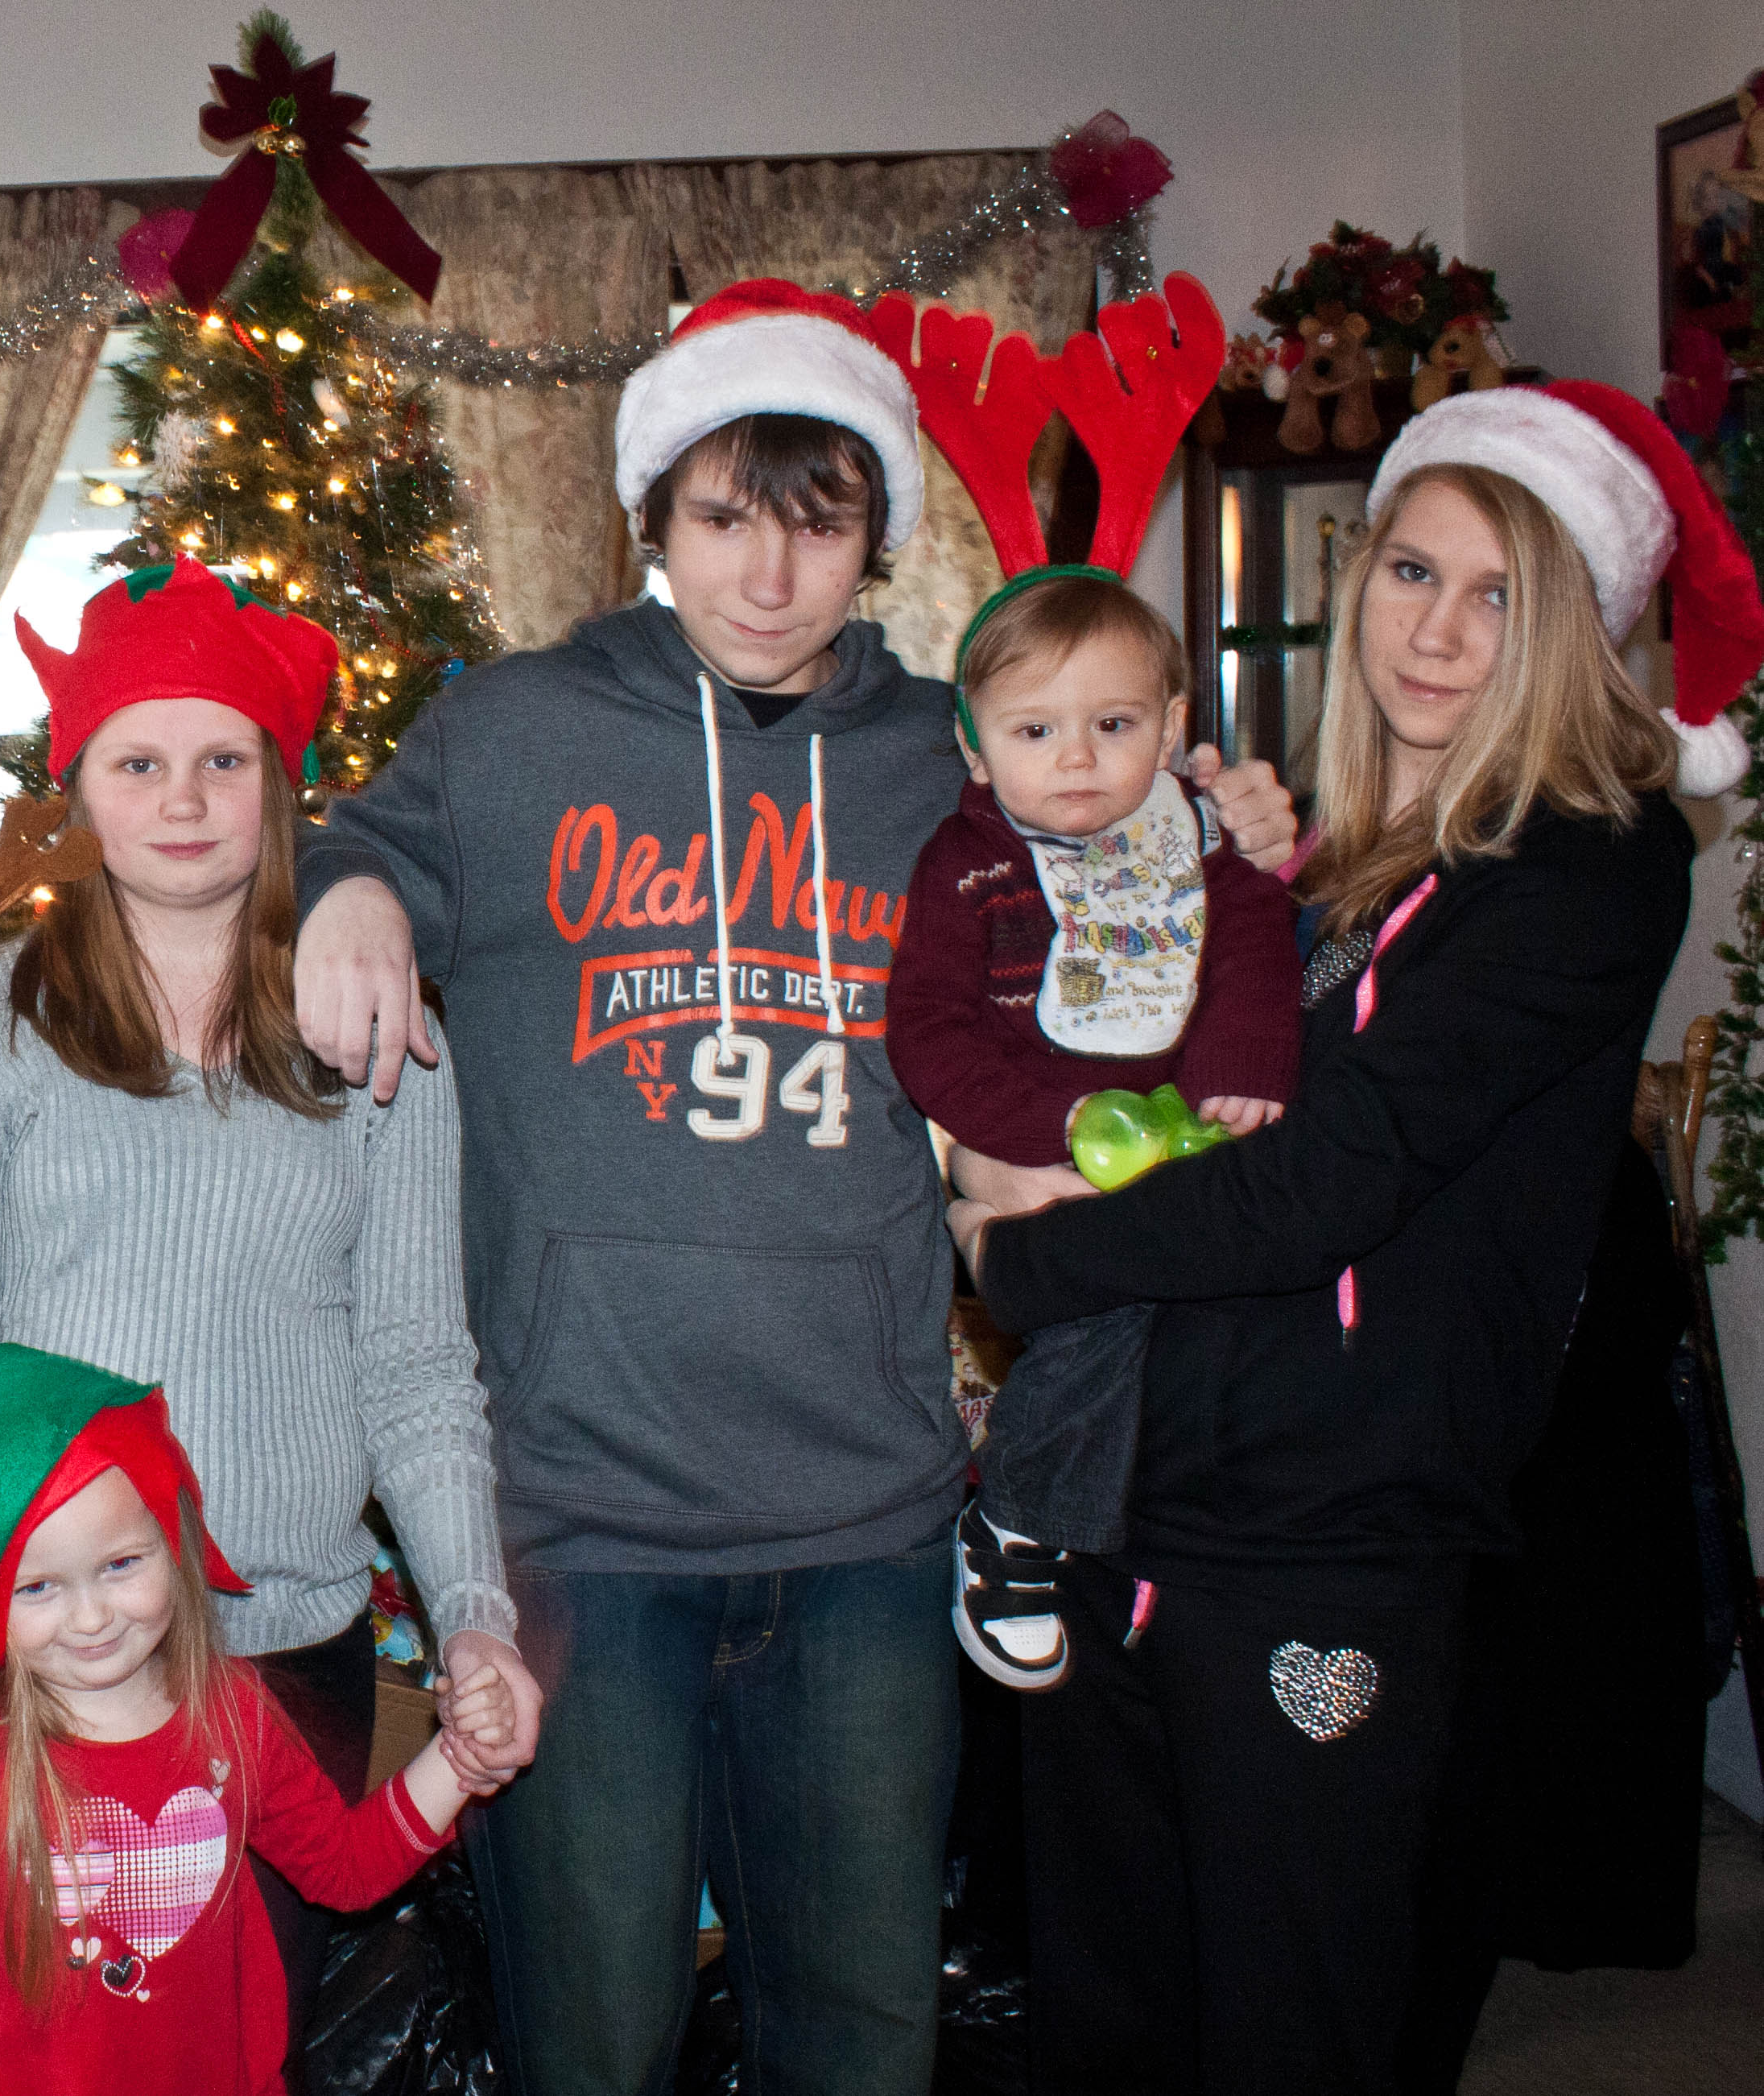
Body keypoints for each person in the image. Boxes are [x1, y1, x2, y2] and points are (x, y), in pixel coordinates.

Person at [287, 278, 1302, 2096]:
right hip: (581, 1520)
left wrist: (1221, 826)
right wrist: (346, 885)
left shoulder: (948, 756)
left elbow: (1132, 850)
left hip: (862, 1513)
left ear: (874, 534)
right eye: (720, 518)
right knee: (590, 2039)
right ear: (654, 517)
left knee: (860, 2033)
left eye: (816, 524)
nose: (765, 576)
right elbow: (328, 847)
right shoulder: (513, 731)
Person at [945, 376, 1760, 2092]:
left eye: (1496, 595)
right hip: (1126, 1505)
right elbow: (1141, 1065)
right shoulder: (1326, 855)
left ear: (1569, 630)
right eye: (1410, 571)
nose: (1436, 632)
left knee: (1293, 2024)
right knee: (1106, 2020)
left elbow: (1330, 1179)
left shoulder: (1584, 864)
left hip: (1323, 1545)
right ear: (1356, 574)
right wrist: (1185, 861)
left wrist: (1017, 1262)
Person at [0, 557, 534, 2084]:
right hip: (52, 1667)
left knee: (246, 2047)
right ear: (79, 785)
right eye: (137, 762)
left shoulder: (384, 1041)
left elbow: (415, 1368)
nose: (182, 801)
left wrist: (472, 1614)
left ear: (280, 783)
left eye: (222, 760)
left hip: (285, 1658)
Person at [0, 1344, 518, 2096]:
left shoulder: (232, 1712)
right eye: (38, 1586)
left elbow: (346, 1869)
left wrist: (459, 1759)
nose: (91, 1616)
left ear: (173, 1541)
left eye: (120, 1563)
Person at [886, 572, 1299, 1689]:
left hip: (1176, 1141)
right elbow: (926, 1029)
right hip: (1028, 1140)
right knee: (1104, 1295)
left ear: (1170, 727)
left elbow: (1253, 946)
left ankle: (1132, 1522)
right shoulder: (964, 863)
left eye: (1112, 725)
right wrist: (1044, 1123)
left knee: (1217, 1298)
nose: (1076, 758)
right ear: (975, 748)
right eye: (1035, 730)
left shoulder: (1195, 842)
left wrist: (1238, 1069)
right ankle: (1014, 1522)